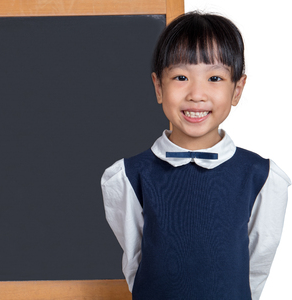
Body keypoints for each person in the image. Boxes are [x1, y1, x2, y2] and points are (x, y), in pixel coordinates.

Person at [101, 12, 290, 300]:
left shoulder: (261, 177)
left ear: (237, 89)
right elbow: (136, 265)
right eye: (181, 77)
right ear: (158, 87)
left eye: (215, 77)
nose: (197, 94)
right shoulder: (129, 176)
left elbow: (255, 268)